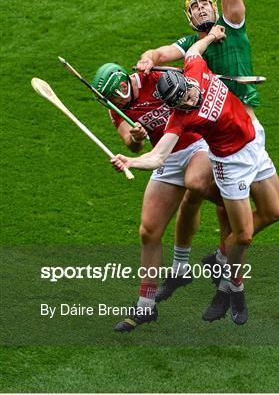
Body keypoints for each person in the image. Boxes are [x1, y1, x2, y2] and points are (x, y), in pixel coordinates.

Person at [136, 0, 279, 287]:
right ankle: (213, 276)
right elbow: (160, 51)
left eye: (206, 3)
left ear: (216, 8)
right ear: (189, 19)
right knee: (203, 191)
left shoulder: (233, 23)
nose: (202, 8)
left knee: (268, 212)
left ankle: (220, 256)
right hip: (217, 137)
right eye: (195, 7)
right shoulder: (190, 47)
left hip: (248, 127)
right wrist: (147, 59)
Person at [111, 26, 277, 325]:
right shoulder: (181, 117)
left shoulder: (196, 69)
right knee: (243, 234)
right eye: (180, 104)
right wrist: (131, 161)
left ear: (187, 81)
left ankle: (217, 259)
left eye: (187, 96)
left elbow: (193, 51)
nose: (188, 103)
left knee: (274, 213)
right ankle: (232, 288)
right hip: (229, 163)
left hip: (254, 144)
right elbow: (159, 155)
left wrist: (213, 36)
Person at [91, 62, 220, 332]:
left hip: (196, 143)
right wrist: (137, 138)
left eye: (112, 96)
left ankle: (228, 216)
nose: (110, 102)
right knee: (148, 231)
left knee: (195, 185)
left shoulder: (155, 77)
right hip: (163, 158)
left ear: (123, 86)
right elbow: (131, 143)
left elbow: (193, 89)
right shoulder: (116, 108)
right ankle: (145, 305)